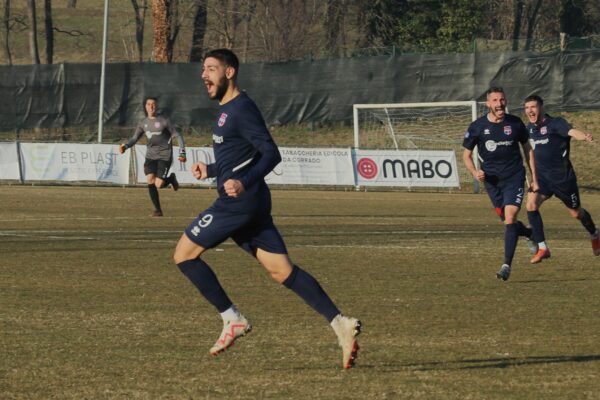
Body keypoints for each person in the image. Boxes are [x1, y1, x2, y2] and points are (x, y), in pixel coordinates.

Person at [172, 49, 361, 369]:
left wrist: (243, 182)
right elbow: (238, 154)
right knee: (282, 271)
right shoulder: (225, 110)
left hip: (239, 202)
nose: (204, 75)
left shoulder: (241, 108)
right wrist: (214, 169)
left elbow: (271, 154)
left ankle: (232, 319)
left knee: (184, 254)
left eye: (211, 69)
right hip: (251, 202)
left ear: (229, 72)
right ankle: (339, 322)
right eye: (203, 69)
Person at [462, 87, 538, 281]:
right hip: (492, 182)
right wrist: (475, 172)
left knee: (511, 217)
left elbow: (528, 149)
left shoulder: (515, 123)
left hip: (514, 177)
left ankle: (506, 265)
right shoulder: (477, 126)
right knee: (507, 221)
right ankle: (529, 232)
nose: (499, 103)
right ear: (488, 104)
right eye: (495, 100)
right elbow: (466, 155)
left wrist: (534, 178)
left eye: (502, 99)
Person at [523, 95, 600, 260]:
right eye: (527, 108)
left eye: (533, 107)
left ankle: (594, 233)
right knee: (530, 205)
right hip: (542, 180)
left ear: (541, 107)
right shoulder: (529, 128)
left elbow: (571, 131)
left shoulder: (556, 123)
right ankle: (543, 248)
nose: (530, 111)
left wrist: (584, 136)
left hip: (563, 180)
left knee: (576, 213)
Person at [119, 97, 186, 217]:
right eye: (149, 104)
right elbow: (135, 138)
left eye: (153, 104)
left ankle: (171, 179)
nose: (151, 107)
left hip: (164, 156)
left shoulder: (164, 120)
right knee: (150, 180)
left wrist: (182, 153)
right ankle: (157, 210)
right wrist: (126, 146)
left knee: (159, 184)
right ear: (145, 107)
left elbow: (178, 135)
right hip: (150, 156)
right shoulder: (143, 123)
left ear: (157, 106)